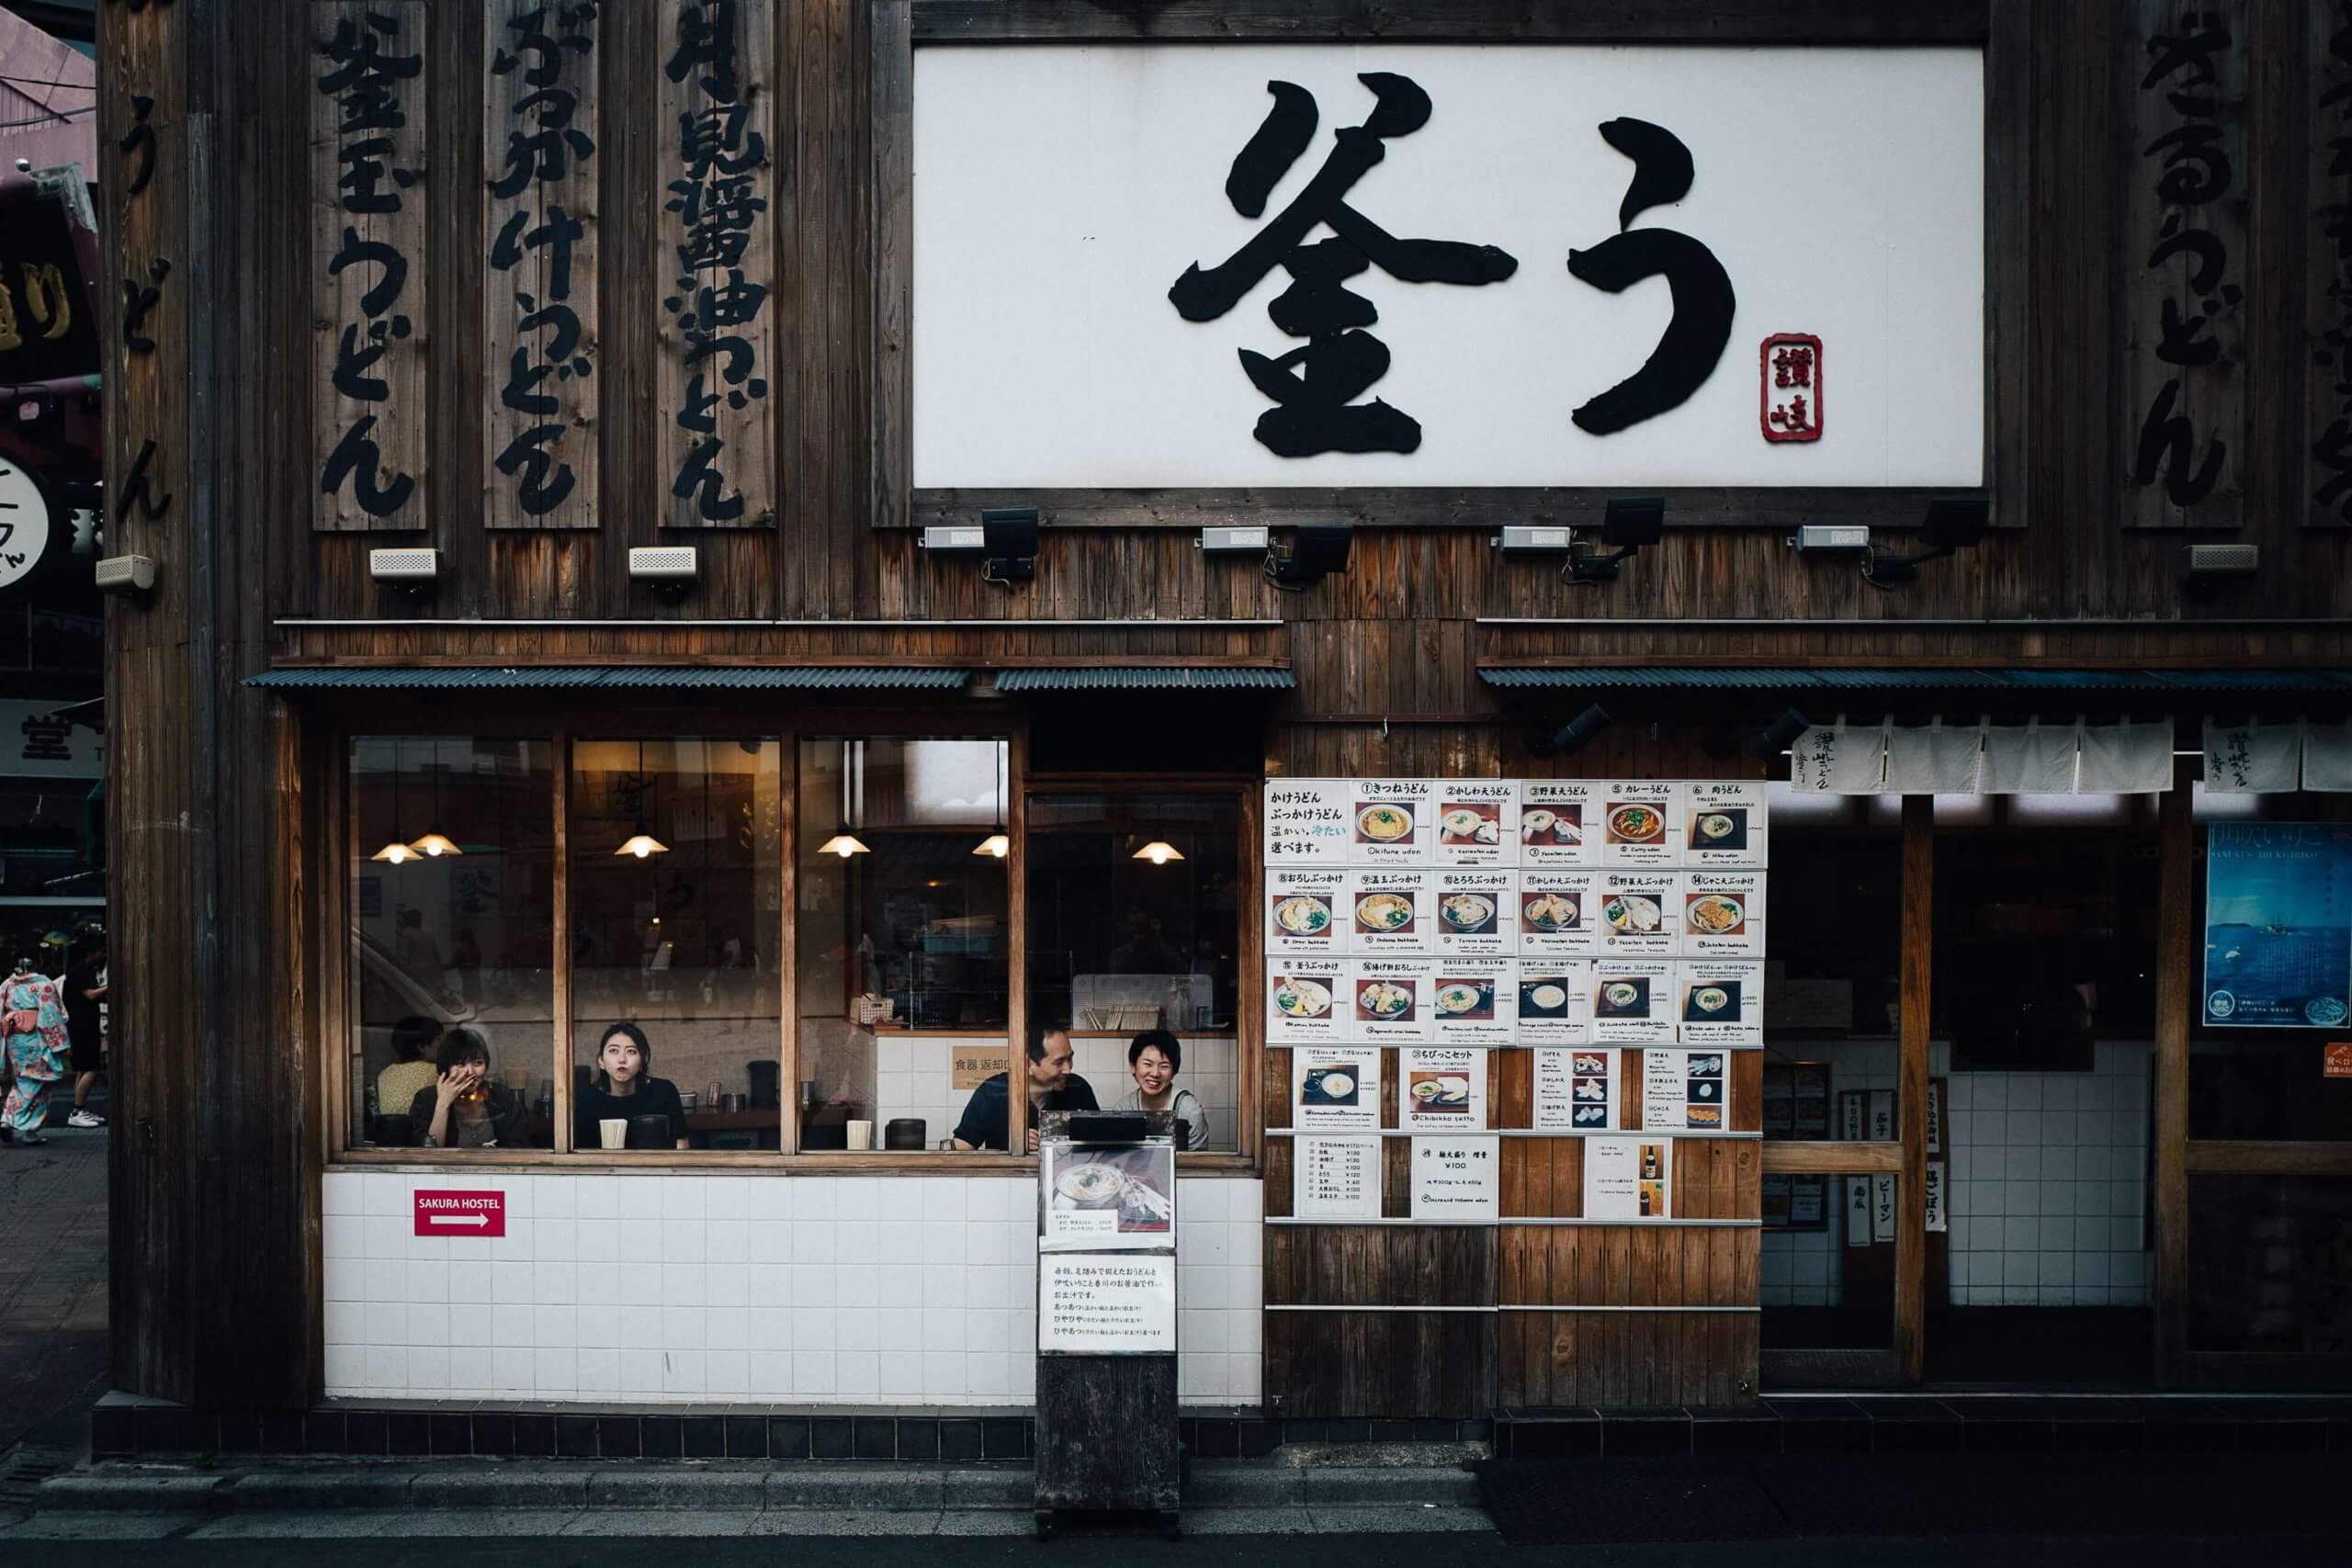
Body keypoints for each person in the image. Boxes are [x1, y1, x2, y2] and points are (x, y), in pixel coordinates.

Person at [952, 1024, 1097, 1153]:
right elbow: (961, 1149)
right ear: (1028, 1064)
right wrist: (1015, 1146)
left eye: (1070, 1059)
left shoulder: (1078, 1088)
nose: (1068, 1069)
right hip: (1009, 1180)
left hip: (1067, 1177)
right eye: (1058, 1062)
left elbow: (1101, 1143)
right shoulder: (992, 1092)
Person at [405, 1026, 529, 1150]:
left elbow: (520, 1145)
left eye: (478, 1063)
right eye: (460, 1063)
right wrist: (443, 1104)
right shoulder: (426, 1099)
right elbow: (426, 1155)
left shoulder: (501, 1095)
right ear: (446, 1067)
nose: (470, 1072)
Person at [571, 1021, 688, 1151]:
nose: (622, 1059)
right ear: (601, 1061)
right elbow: (580, 1152)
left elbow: (681, 1144)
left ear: (642, 1061)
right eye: (613, 1051)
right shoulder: (586, 1098)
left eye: (631, 1051)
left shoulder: (664, 1091)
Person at [1, 942, 68, 1147]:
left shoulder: (8, 985)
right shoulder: (43, 984)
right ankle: (8, 1119)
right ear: (39, 960)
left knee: (23, 1080)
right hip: (37, 1039)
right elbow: (51, 1015)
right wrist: (60, 1043)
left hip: (14, 1040)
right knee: (37, 1082)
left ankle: (28, 1130)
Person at [1111, 1027, 1208, 1150]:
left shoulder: (1189, 1111)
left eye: (1164, 1066)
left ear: (1174, 1071)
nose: (1155, 1073)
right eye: (1147, 1064)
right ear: (1133, 1066)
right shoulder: (1123, 1109)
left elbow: (1197, 1163)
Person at [62, 931, 107, 1129]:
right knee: (92, 1068)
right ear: (93, 952)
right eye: (102, 951)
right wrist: (111, 985)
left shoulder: (77, 969)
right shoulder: (83, 970)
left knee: (83, 1068)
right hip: (83, 1025)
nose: (104, 955)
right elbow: (90, 995)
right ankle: (77, 1110)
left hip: (79, 1024)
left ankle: (79, 1109)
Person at [374, 1015, 440, 1125]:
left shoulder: (385, 1073)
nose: (442, 1045)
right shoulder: (437, 1071)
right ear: (421, 1047)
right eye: (438, 1040)